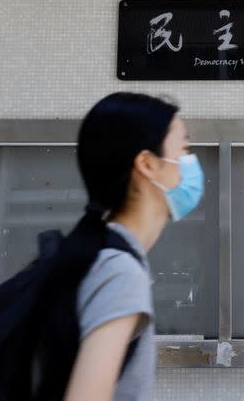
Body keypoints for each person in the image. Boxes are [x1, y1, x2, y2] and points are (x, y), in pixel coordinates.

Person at [55, 92, 203, 401]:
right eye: (184, 149)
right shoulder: (118, 272)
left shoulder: (90, 254)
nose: (190, 164)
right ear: (147, 163)